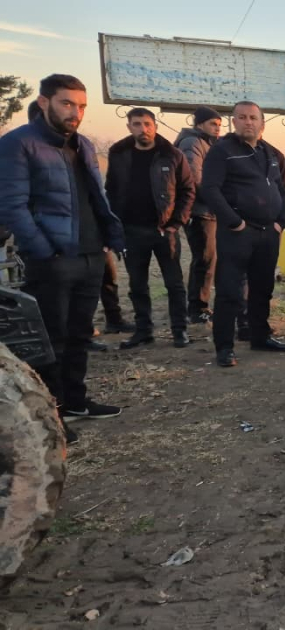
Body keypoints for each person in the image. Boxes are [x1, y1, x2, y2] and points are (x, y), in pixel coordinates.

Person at [0, 74, 127, 441]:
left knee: (79, 334)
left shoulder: (83, 144)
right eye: (67, 103)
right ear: (44, 103)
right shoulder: (17, 144)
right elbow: (11, 205)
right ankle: (50, 415)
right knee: (51, 339)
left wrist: (108, 238)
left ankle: (75, 400)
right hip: (52, 259)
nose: (75, 112)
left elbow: (95, 197)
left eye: (81, 106)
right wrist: (44, 249)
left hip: (91, 255)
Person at [200, 100, 285, 367]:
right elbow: (210, 189)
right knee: (230, 291)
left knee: (262, 288)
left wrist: (280, 221)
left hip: (268, 232)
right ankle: (224, 347)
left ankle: (260, 336)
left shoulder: (269, 153)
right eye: (242, 117)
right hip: (238, 233)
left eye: (253, 117)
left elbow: (281, 188)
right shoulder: (222, 151)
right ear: (234, 122)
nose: (248, 122)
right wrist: (234, 222)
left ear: (262, 123)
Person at [106, 107, 195, 350]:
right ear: (129, 127)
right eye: (137, 124)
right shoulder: (118, 153)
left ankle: (179, 330)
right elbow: (111, 189)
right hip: (131, 230)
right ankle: (143, 331)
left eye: (147, 124)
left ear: (155, 126)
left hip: (164, 230)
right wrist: (114, 224)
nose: (143, 129)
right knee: (137, 285)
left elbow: (188, 191)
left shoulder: (172, 155)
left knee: (174, 284)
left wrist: (176, 223)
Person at [176, 106, 223, 324]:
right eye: (213, 124)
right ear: (199, 124)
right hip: (200, 211)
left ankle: (201, 305)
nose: (217, 128)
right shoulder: (192, 143)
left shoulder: (207, 143)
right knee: (204, 259)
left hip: (209, 210)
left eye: (219, 125)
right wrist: (218, 201)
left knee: (210, 259)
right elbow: (195, 178)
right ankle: (197, 308)